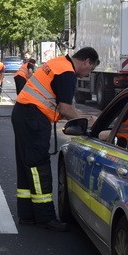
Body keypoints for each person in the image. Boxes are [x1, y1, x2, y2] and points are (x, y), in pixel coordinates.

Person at [12, 47, 100, 231]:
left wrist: (83, 117)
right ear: (87, 62)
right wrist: (85, 125)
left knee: (26, 164)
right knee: (38, 166)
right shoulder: (67, 72)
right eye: (90, 70)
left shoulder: (58, 62)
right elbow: (65, 108)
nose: (87, 74)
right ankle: (45, 217)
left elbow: (66, 105)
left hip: (24, 113)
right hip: (33, 117)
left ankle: (27, 214)